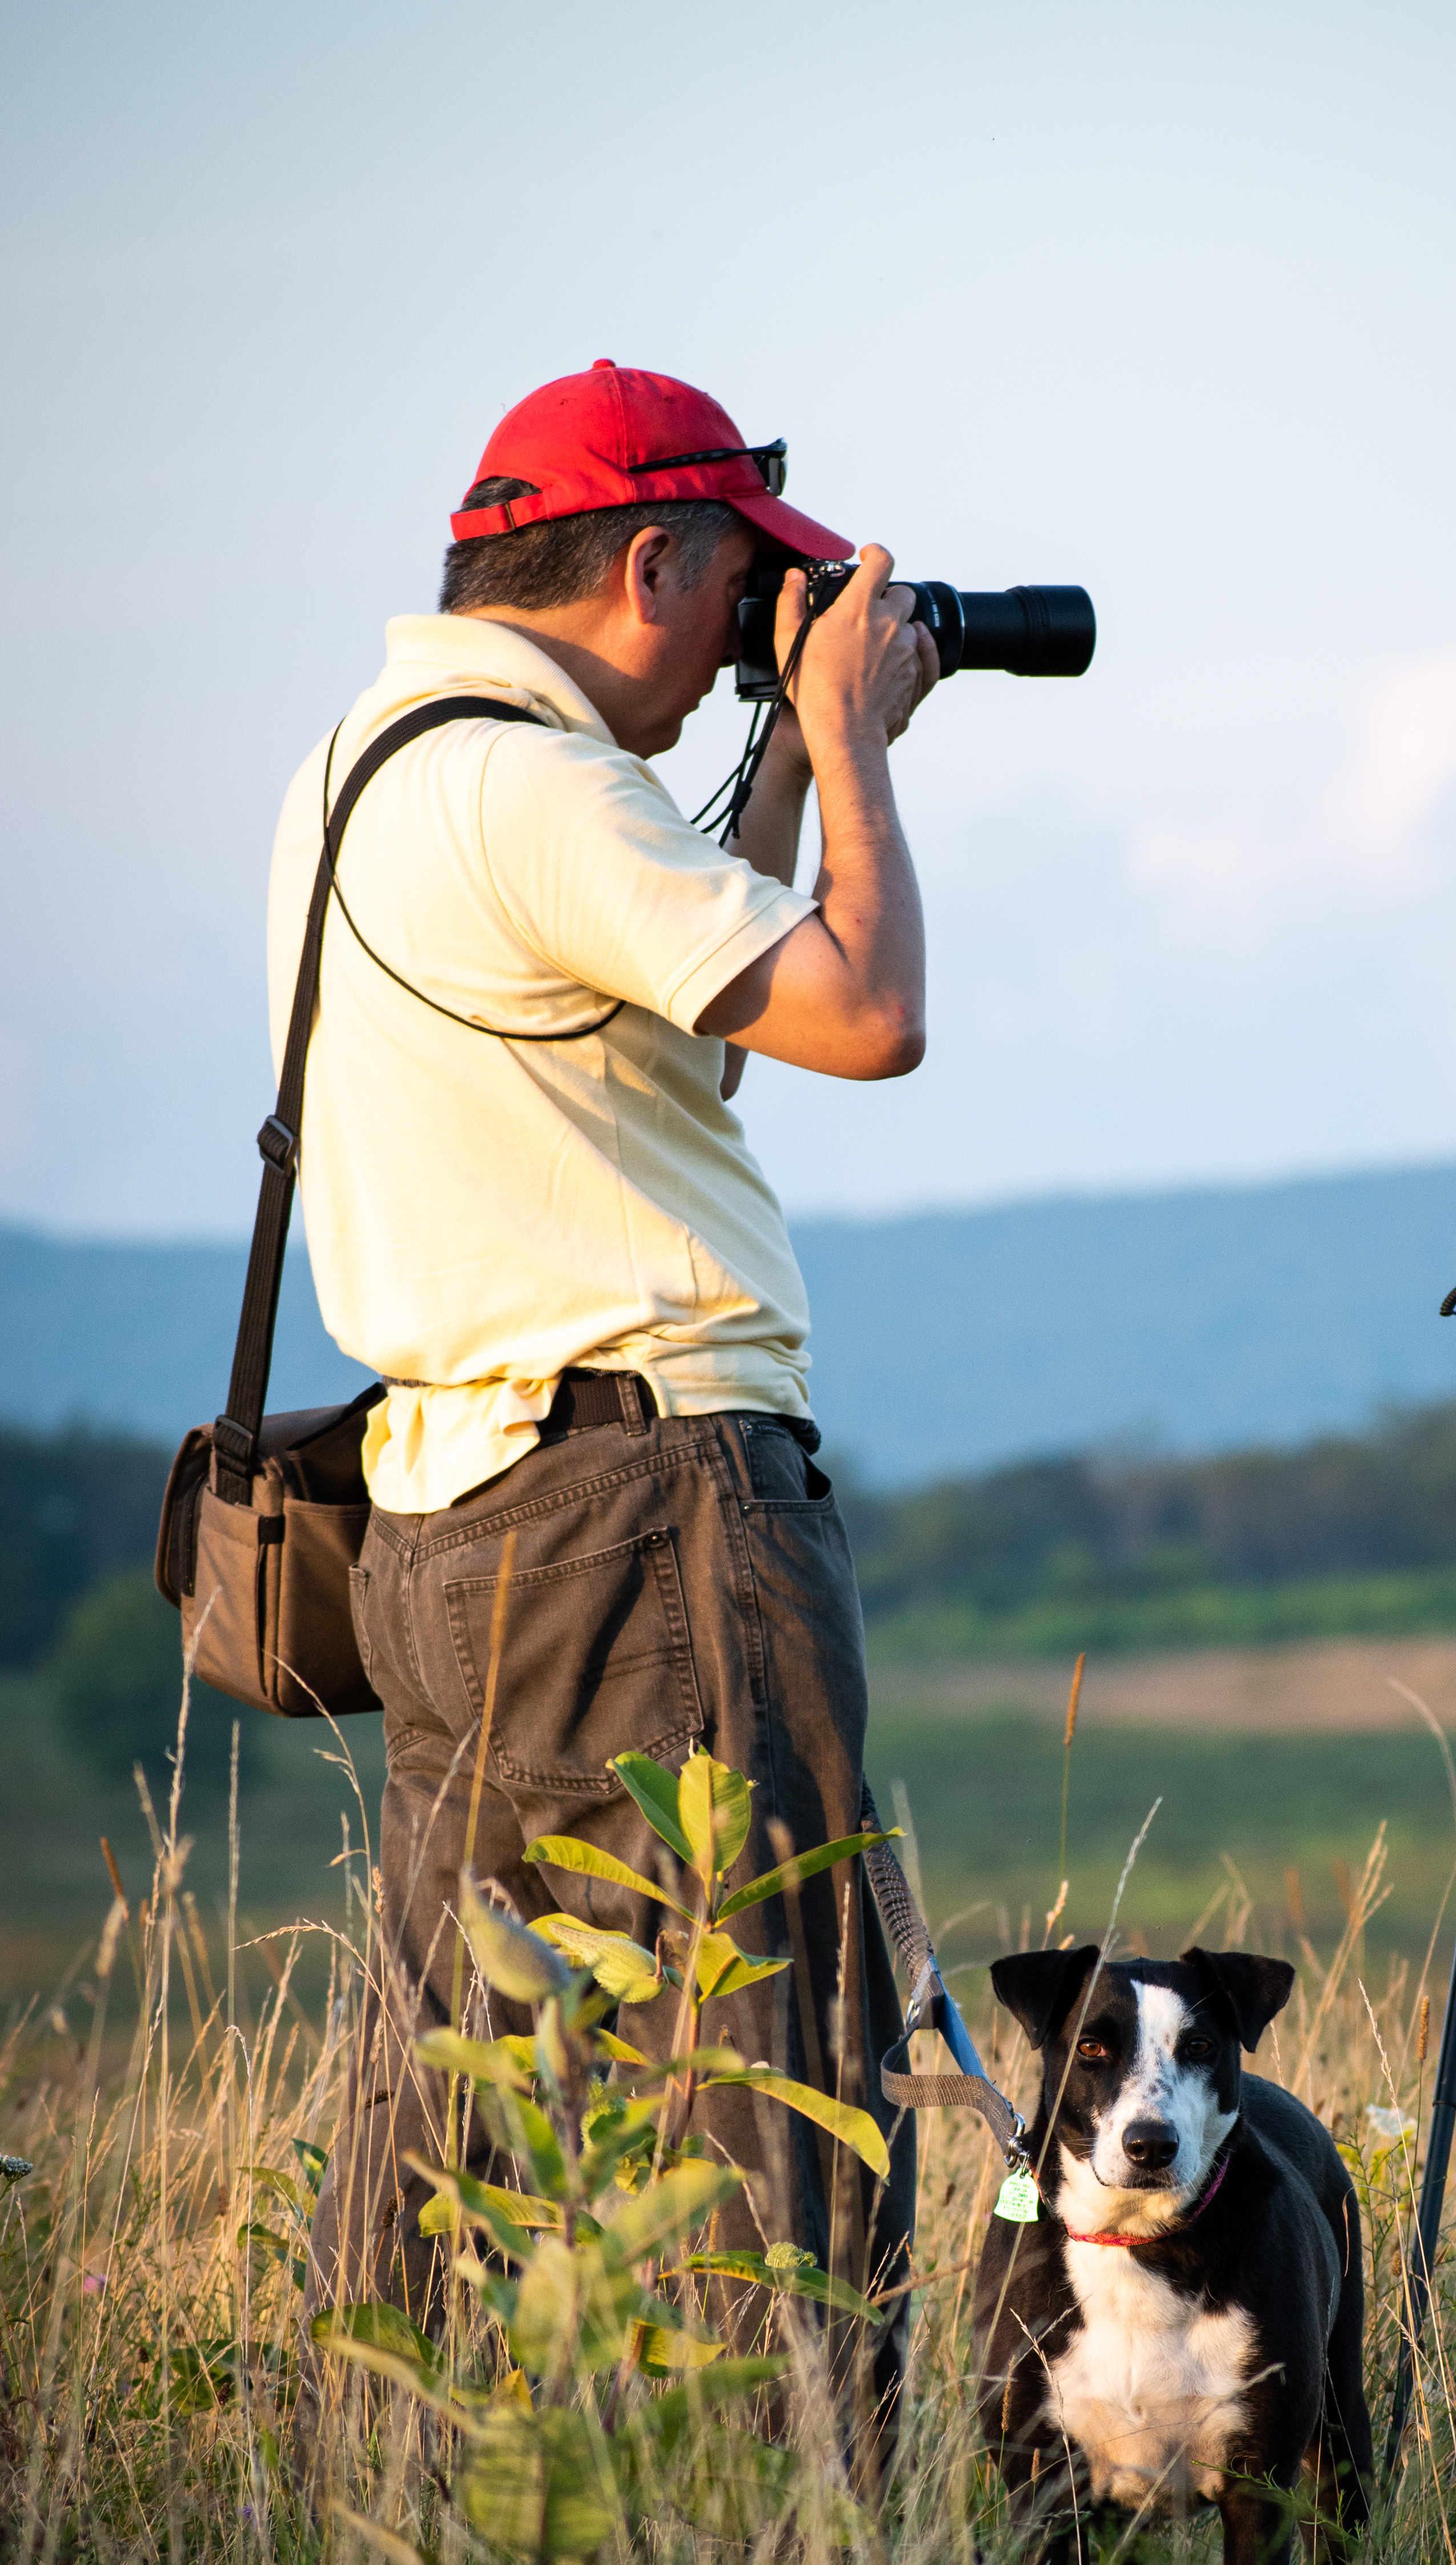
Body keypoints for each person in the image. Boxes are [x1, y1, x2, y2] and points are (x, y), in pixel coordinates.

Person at [292, 359, 935, 2458]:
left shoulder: (378, 768)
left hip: (462, 1518)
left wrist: (760, 760)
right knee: (771, 2049)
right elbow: (865, 1016)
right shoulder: (537, 795)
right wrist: (844, 744)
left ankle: (364, 2521)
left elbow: (685, 1049)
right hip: (647, 1503)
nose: (766, 624)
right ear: (654, 558)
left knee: (463, 2061)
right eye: (754, 586)